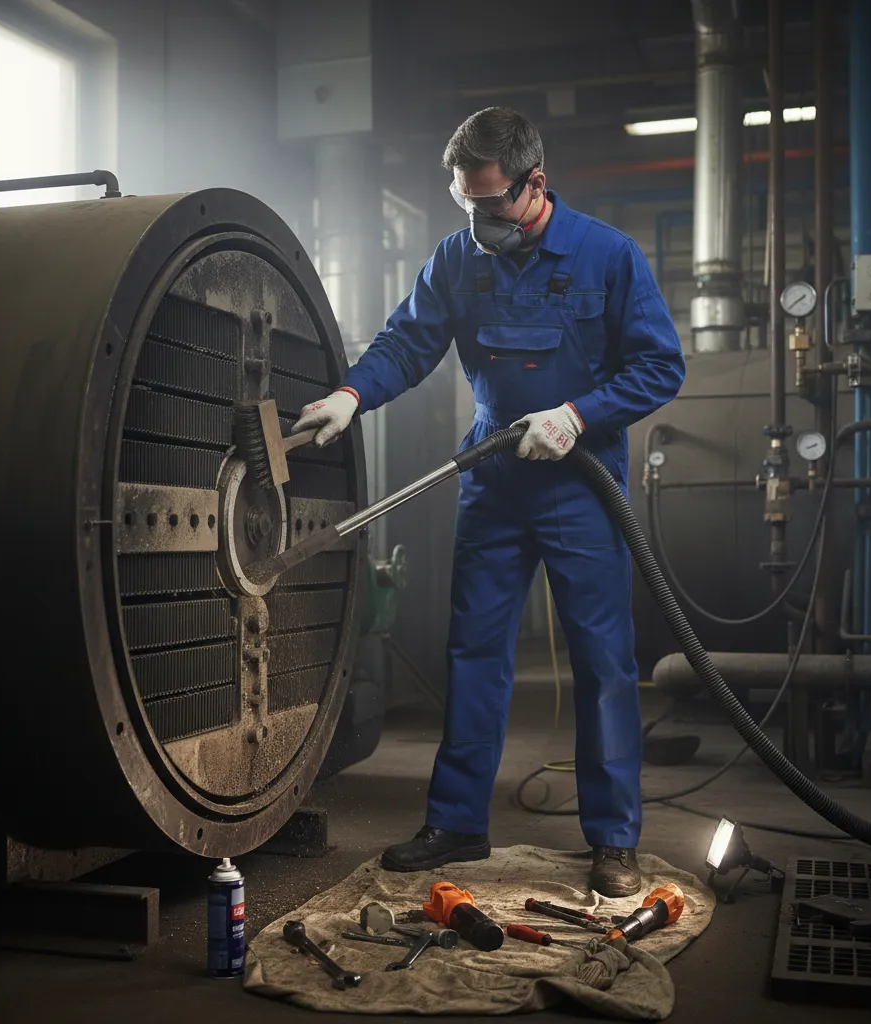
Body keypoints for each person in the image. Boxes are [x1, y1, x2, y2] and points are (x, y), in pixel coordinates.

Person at [293, 107, 685, 897]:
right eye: (464, 204)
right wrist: (349, 395)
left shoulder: (609, 256)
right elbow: (408, 343)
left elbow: (659, 367)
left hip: (582, 487)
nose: (477, 222)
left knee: (604, 665)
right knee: (473, 654)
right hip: (494, 482)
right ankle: (457, 825)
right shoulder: (456, 258)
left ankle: (613, 840)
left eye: (490, 205)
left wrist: (576, 416)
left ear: (535, 185)